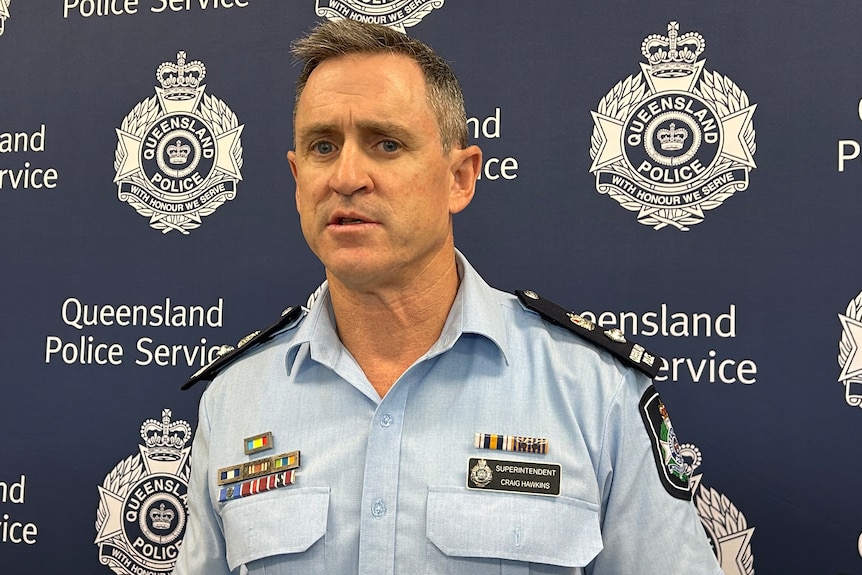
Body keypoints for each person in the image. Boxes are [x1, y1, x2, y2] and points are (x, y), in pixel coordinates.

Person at [174, 18, 724, 575]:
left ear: (459, 178)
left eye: (386, 144)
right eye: (323, 146)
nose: (346, 176)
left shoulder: (593, 391)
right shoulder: (234, 400)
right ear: (297, 180)